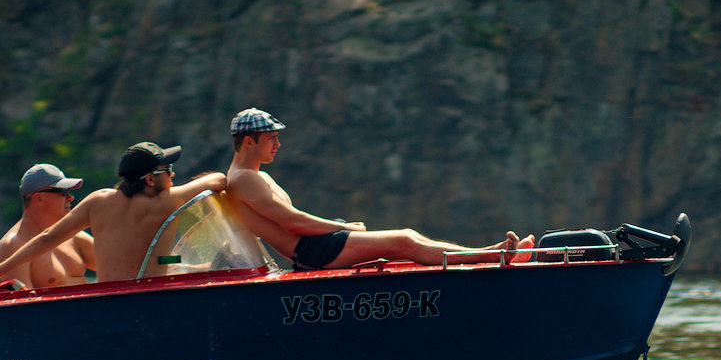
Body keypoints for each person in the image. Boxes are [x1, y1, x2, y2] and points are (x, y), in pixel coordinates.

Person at [224, 108, 534, 270]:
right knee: (404, 239)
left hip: (316, 246)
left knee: (405, 243)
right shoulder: (244, 178)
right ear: (249, 142)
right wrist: (345, 228)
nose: (278, 144)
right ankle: (491, 257)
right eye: (271, 139)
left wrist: (343, 229)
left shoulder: (251, 175)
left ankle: (487, 255)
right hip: (311, 252)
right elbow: (290, 221)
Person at [0, 142, 228, 285]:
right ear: (150, 179)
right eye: (168, 170)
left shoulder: (97, 201)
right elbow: (219, 179)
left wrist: (2, 267)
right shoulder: (167, 201)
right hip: (134, 306)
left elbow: (47, 238)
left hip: (106, 306)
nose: (173, 175)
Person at [0, 163, 96, 290]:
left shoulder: (75, 237)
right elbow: (22, 306)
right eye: (63, 192)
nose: (70, 197)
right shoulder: (13, 245)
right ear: (39, 197)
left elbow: (119, 264)